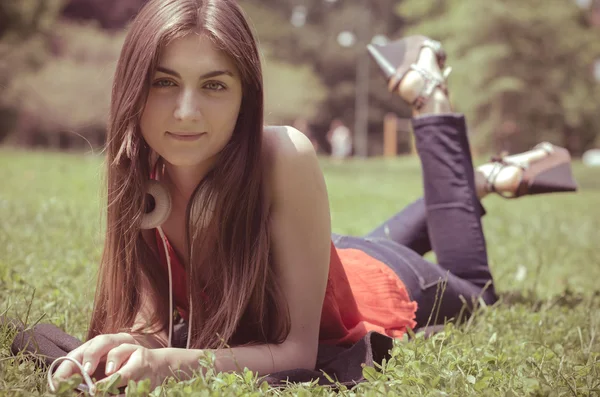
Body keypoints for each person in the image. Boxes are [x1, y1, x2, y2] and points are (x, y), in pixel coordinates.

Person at [6, 0, 577, 392]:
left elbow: (298, 354)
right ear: (133, 87)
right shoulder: (138, 165)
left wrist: (166, 365)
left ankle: (431, 102)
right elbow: (162, 320)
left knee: (476, 288)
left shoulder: (285, 155)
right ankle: (483, 179)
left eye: (214, 85)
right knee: (362, 247)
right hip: (320, 257)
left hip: (384, 282)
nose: (185, 112)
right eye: (163, 81)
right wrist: (126, 341)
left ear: (246, 95)